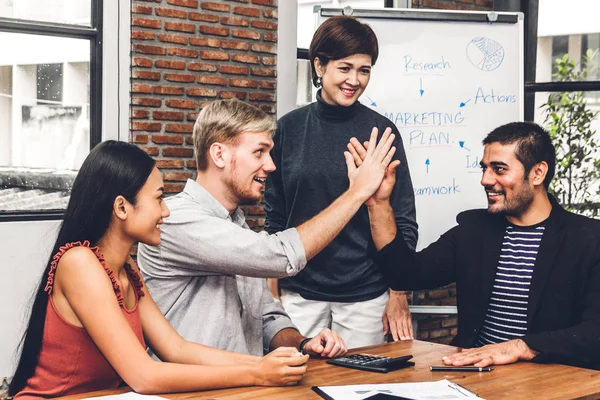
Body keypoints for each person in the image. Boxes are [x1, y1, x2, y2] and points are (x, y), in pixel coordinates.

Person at [9, 141, 312, 399]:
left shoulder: (126, 269)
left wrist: (264, 363)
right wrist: (257, 373)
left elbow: (176, 348)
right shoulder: (80, 263)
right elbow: (144, 376)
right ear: (122, 208)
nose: (166, 211)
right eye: (159, 198)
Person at [137, 99, 398, 358]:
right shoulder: (175, 220)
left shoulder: (237, 228)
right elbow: (279, 255)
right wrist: (357, 193)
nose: (271, 165)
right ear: (219, 154)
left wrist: (302, 343)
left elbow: (266, 317)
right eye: (259, 152)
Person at [348, 121, 600, 369]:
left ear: (537, 173)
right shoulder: (474, 230)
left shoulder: (588, 239)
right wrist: (378, 204)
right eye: (484, 169)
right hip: (475, 377)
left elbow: (594, 332)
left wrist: (519, 347)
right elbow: (404, 274)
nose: (485, 180)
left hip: (550, 383)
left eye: (499, 169)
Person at [264, 15, 418, 349]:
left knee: (358, 389)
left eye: (364, 70)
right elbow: (276, 215)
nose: (355, 80)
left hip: (365, 297)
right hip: (299, 293)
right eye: (345, 68)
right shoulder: (288, 129)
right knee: (296, 386)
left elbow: (404, 221)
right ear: (319, 66)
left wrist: (398, 292)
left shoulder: (382, 132)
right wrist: (272, 286)